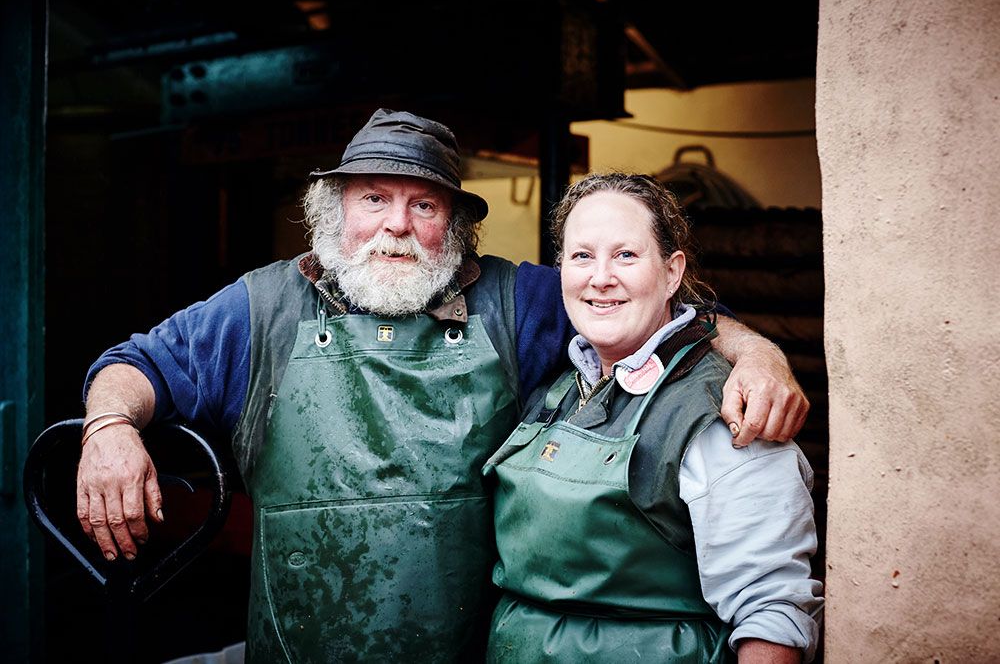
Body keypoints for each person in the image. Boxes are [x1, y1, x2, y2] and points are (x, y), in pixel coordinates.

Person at [75, 109, 811, 662]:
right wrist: (108, 429)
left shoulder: (517, 301)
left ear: (453, 223)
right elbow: (135, 363)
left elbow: (655, 311)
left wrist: (759, 357)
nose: (396, 226)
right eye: (373, 199)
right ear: (335, 210)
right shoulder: (260, 308)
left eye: (423, 205)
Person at [483, 172, 823, 663]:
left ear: (672, 273)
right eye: (582, 256)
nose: (601, 277)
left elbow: (771, 612)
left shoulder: (721, 410)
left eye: (626, 254)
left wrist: (758, 352)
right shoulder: (559, 380)